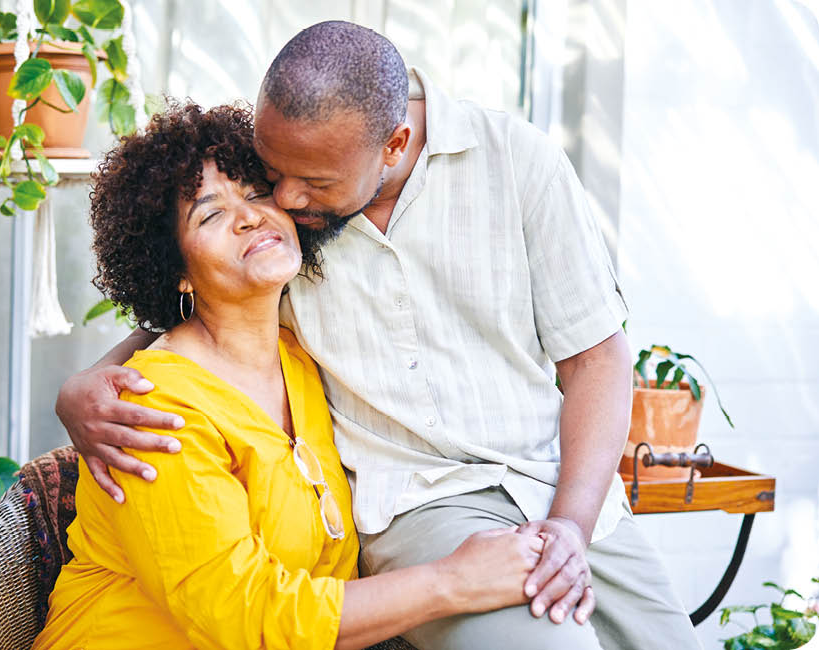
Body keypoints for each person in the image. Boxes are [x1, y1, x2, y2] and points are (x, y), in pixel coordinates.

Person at [55, 22, 702, 650]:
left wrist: (570, 524)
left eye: (304, 184)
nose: (280, 198)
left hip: (551, 477)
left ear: (393, 146)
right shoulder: (290, 209)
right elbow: (181, 310)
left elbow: (595, 356)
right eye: (270, 172)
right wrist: (83, 388)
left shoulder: (513, 159)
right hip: (422, 506)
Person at [33, 102, 546, 650]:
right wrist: (454, 581)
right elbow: (246, 615)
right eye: (209, 215)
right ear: (177, 271)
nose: (249, 216)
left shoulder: (303, 360)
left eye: (256, 193)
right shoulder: (155, 409)